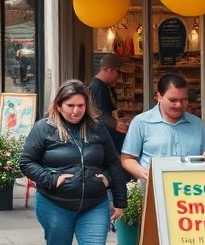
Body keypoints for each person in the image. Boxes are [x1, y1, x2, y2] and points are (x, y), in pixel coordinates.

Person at [20, 80, 128, 245]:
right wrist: (52, 179)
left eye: (81, 105)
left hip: (95, 203)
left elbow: (113, 162)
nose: (76, 111)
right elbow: (27, 162)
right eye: (70, 105)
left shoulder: (97, 127)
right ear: (59, 105)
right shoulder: (44, 128)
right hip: (55, 203)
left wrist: (119, 199)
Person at [121, 72, 205, 181]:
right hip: (154, 190)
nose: (179, 105)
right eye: (173, 100)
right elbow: (127, 159)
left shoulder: (196, 123)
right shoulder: (141, 122)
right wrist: (145, 174)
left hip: (189, 190)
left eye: (184, 100)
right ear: (159, 97)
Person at [88, 54, 127, 152]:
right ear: (108, 69)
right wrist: (117, 125)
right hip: (106, 137)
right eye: (118, 72)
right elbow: (100, 114)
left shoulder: (103, 86)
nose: (119, 76)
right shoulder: (99, 87)